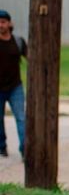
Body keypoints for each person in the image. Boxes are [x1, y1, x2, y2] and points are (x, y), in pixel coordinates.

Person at [0, 9, 27, 158]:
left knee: (21, 117)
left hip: (15, 86)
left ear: (9, 23)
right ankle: (2, 147)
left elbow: (31, 57)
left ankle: (24, 148)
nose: (0, 25)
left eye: (3, 22)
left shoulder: (18, 41)